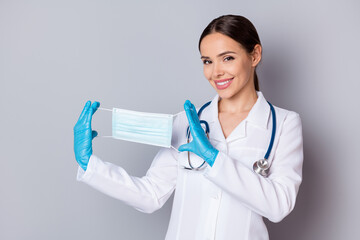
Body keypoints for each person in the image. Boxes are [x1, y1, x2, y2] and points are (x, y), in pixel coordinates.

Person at [73, 14, 303, 240]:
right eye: (207, 61)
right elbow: (151, 194)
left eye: (228, 58)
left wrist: (214, 159)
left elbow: (279, 205)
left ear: (254, 55)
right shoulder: (186, 123)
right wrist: (90, 165)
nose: (216, 72)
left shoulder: (284, 124)